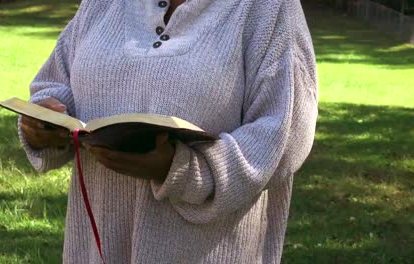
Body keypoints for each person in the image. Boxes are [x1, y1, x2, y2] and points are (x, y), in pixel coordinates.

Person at [19, 0, 318, 263]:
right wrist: (43, 123)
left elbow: (286, 132)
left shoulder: (268, 8)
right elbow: (56, 82)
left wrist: (183, 171)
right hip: (96, 247)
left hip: (206, 251)